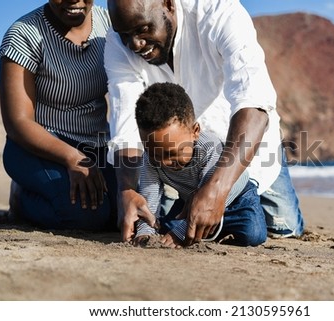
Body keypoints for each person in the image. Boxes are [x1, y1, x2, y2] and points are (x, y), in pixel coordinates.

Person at [105, 0, 304, 244]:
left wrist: (215, 191)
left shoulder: (219, 12)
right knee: (160, 220)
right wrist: (126, 189)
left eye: (143, 29)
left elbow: (253, 102)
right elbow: (125, 123)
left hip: (246, 151)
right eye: (125, 34)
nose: (134, 43)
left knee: (283, 227)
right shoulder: (117, 41)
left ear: (167, 4)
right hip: (176, 166)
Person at [0, 0, 117, 230]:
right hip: (37, 146)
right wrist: (72, 158)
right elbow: (17, 122)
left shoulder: (110, 24)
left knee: (120, 210)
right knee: (86, 215)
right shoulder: (24, 33)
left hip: (97, 146)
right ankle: (22, 198)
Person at [133, 82, 267, 248]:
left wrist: (181, 231)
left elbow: (212, 196)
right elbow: (149, 200)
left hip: (236, 199)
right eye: (155, 154)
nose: (163, 162)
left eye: (173, 153)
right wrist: (145, 230)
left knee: (252, 234)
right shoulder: (150, 158)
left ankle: (212, 229)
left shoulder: (209, 148)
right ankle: (207, 231)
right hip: (188, 203)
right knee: (164, 227)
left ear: (195, 132)